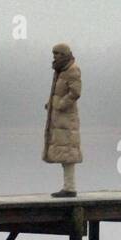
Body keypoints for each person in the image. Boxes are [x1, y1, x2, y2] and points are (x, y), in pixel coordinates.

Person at [43, 44, 82, 197]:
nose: (55, 56)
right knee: (64, 152)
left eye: (57, 53)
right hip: (59, 118)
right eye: (53, 53)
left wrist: (60, 104)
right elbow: (59, 92)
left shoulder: (72, 69)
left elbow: (75, 92)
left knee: (68, 152)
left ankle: (70, 188)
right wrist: (50, 104)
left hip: (66, 118)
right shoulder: (60, 70)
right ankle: (68, 187)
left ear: (64, 54)